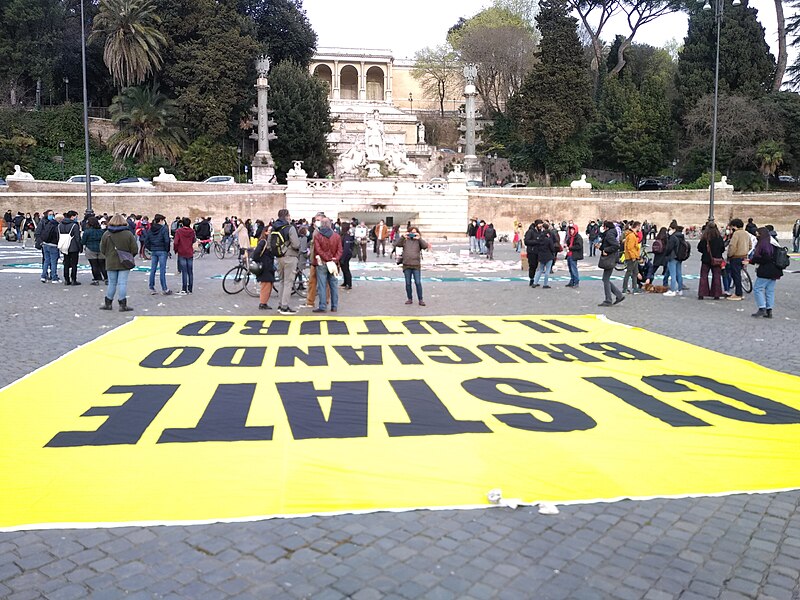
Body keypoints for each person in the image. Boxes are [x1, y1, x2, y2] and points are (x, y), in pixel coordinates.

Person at [100, 214, 138, 311]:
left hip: (110, 261)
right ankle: (122, 305)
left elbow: (102, 249)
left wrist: (108, 255)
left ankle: (108, 303)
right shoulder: (128, 234)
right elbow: (134, 249)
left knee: (112, 283)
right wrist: (129, 256)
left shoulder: (106, 234)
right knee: (122, 283)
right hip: (124, 262)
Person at [750, 227, 783, 318]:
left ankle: (762, 308)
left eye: (757, 234)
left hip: (766, 270)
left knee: (758, 288)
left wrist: (751, 261)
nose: (756, 236)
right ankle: (769, 310)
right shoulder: (773, 243)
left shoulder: (763, 244)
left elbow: (764, 259)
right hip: (776, 270)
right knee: (770, 290)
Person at [273, 208, 300, 315]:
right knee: (288, 282)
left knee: (281, 281)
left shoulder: (274, 227)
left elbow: (270, 242)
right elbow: (296, 244)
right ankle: (285, 306)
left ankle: (280, 304)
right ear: (287, 216)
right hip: (290, 256)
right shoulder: (290, 228)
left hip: (279, 257)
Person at [312, 217, 342, 313]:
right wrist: (334, 259)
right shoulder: (336, 236)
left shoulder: (317, 236)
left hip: (322, 263)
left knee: (322, 285)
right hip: (333, 264)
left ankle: (323, 306)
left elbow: (318, 249)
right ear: (330, 224)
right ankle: (334, 306)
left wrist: (326, 258)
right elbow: (340, 250)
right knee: (333, 285)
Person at [395, 226, 429, 306]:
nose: (412, 234)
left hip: (416, 265)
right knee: (408, 283)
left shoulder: (418, 241)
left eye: (414, 232)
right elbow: (397, 244)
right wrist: (403, 237)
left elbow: (425, 246)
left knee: (418, 282)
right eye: (411, 232)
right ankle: (409, 298)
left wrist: (419, 238)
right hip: (406, 264)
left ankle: (421, 299)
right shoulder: (405, 240)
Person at [598, 220, 624, 307]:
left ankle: (609, 299)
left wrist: (606, 250)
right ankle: (618, 295)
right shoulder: (610, 233)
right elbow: (607, 245)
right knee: (605, 279)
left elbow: (616, 245)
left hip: (610, 259)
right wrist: (601, 248)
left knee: (605, 279)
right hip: (611, 258)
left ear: (606, 227)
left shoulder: (609, 234)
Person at [144, 214, 172, 295]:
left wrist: (150, 248)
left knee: (153, 269)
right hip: (162, 250)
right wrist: (167, 250)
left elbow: (147, 241)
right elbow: (167, 240)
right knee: (162, 270)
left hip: (154, 250)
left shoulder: (150, 229)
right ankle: (164, 288)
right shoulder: (164, 229)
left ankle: (151, 287)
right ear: (160, 220)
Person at [697, 221, 724, 300]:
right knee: (716, 276)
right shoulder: (719, 238)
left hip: (706, 259)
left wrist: (705, 252)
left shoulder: (705, 238)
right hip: (717, 259)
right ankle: (716, 294)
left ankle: (702, 293)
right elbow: (722, 248)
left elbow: (699, 248)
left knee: (704, 276)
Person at [252, 229, 276, 310]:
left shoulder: (268, 242)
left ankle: (264, 303)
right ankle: (262, 303)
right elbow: (256, 254)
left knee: (268, 285)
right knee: (265, 285)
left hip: (268, 266)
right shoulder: (263, 241)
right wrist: (260, 262)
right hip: (265, 267)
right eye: (269, 231)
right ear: (265, 232)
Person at [725, 218, 749, 301]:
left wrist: (729, 255)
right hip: (744, 256)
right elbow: (750, 245)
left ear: (734, 226)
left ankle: (738, 293)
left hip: (736, 257)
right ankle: (739, 292)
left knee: (736, 275)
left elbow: (732, 246)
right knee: (739, 274)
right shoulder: (746, 233)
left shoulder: (736, 234)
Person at [662, 223, 687, 297]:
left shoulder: (673, 237)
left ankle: (673, 290)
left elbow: (669, 248)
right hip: (679, 257)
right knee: (679, 273)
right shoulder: (681, 237)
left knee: (673, 274)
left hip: (672, 257)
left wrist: (666, 254)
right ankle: (680, 289)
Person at [58, 211, 83, 285]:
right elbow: (77, 238)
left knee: (66, 263)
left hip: (64, 246)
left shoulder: (60, 225)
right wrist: (80, 247)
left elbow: (58, 236)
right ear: (72, 217)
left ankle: (66, 279)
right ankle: (73, 279)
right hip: (73, 246)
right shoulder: (74, 225)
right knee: (74, 264)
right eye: (75, 216)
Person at [81, 216, 107, 285]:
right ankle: (106, 279)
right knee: (103, 265)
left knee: (94, 265)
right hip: (101, 249)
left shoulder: (87, 232)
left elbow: (83, 241)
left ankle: (96, 280)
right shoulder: (102, 231)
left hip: (90, 249)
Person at [173, 217, 196, 295]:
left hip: (182, 252)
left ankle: (184, 289)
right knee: (190, 271)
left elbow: (176, 242)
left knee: (184, 271)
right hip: (189, 252)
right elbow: (193, 240)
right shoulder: (192, 231)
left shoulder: (179, 231)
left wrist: (176, 250)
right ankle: (190, 289)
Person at [531, 222, 556, 289]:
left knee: (540, 270)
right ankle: (545, 284)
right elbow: (552, 248)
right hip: (549, 256)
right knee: (547, 271)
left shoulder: (539, 240)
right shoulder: (549, 240)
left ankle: (535, 283)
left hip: (541, 256)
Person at [40, 212, 61, 283]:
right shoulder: (57, 226)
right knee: (53, 262)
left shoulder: (48, 224)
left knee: (46, 260)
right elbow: (57, 236)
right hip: (53, 245)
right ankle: (54, 277)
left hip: (45, 244)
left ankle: (43, 276)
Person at [622, 222, 641, 294]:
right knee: (629, 272)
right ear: (637, 226)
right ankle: (625, 288)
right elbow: (630, 248)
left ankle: (634, 288)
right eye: (639, 227)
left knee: (635, 272)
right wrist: (633, 257)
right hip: (631, 257)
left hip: (634, 256)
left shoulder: (632, 235)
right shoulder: (632, 236)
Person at [524, 221, 540, 287]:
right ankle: (531, 279)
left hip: (538, 251)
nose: (541, 226)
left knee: (536, 266)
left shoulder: (539, 232)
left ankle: (535, 280)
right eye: (540, 225)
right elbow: (526, 241)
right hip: (531, 251)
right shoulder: (530, 231)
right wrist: (536, 241)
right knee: (532, 266)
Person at [340, 222, 354, 290]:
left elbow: (346, 248)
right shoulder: (343, 235)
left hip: (346, 254)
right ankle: (345, 282)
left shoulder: (347, 236)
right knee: (343, 268)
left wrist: (342, 258)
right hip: (344, 254)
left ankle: (349, 283)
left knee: (346, 269)